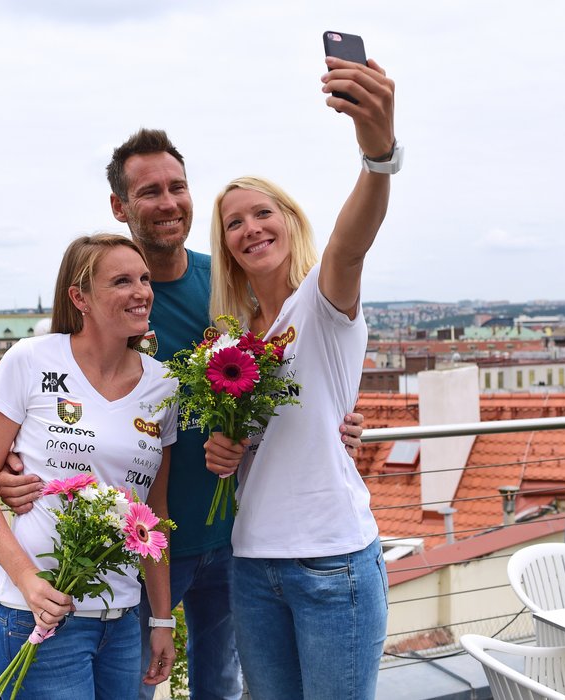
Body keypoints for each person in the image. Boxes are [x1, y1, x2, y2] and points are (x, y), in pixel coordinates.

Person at [0, 129, 367, 700]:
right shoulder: (106, 297)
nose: (168, 203)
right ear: (120, 208)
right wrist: (8, 470)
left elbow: (300, 356)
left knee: (219, 686)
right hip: (140, 549)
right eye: (149, 192)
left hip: (237, 537)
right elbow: (57, 397)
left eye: (178, 187)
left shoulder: (229, 281)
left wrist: (340, 414)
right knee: (139, 685)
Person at [203, 55, 398, 699]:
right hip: (253, 560)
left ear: (290, 219)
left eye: (264, 213)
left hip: (331, 560)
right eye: (234, 223)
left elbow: (352, 241)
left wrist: (378, 154)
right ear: (225, 244)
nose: (251, 228)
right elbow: (262, 440)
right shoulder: (231, 338)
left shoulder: (321, 299)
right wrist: (227, 450)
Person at [0, 234, 177, 699]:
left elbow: (153, 514)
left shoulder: (163, 386)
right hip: (38, 616)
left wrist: (161, 619)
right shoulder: (31, 360)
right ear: (81, 298)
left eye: (144, 279)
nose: (141, 291)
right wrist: (27, 580)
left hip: (122, 620)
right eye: (121, 281)